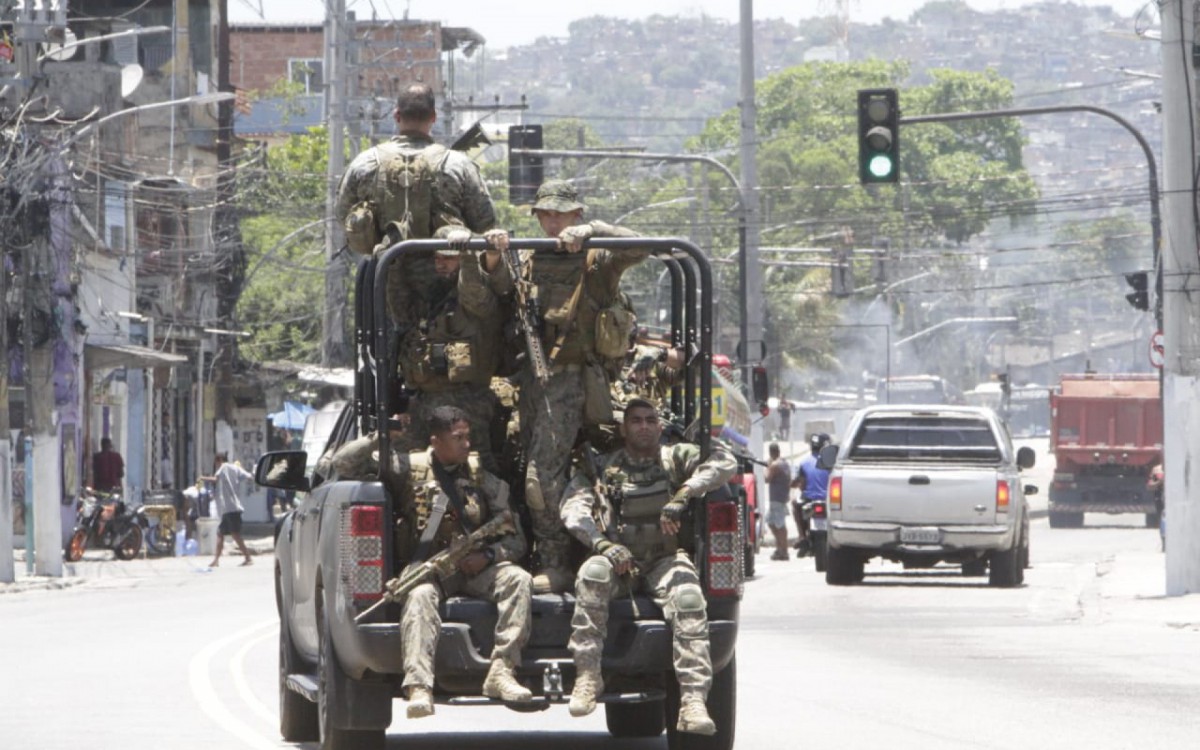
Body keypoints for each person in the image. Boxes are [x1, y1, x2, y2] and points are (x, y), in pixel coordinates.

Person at [332, 405, 534, 718]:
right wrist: (379, 437)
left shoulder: (480, 476)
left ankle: (502, 671)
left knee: (518, 579)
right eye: (458, 438)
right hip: (430, 570)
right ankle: (419, 687)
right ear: (436, 441)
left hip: (474, 568)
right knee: (419, 597)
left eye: (467, 437)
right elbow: (343, 464)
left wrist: (489, 556)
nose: (467, 444)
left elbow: (516, 538)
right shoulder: (408, 468)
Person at [498, 179, 648, 593]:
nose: (552, 222)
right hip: (535, 379)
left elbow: (642, 247)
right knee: (530, 468)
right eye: (545, 214)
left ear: (576, 214)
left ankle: (556, 562)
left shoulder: (597, 257)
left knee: (542, 474)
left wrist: (594, 231)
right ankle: (546, 551)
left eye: (560, 214)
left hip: (577, 378)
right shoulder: (529, 255)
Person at [560, 397, 736, 735]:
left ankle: (693, 702)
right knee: (592, 574)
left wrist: (686, 492)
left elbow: (724, 461)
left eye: (650, 420)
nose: (644, 426)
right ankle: (588, 677)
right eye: (636, 420)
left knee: (688, 598)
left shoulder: (675, 457)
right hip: (618, 559)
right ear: (624, 429)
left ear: (660, 426)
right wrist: (602, 544)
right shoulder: (604, 466)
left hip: (663, 560)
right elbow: (573, 508)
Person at [334, 82, 502, 325]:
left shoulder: (364, 163)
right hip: (449, 299)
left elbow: (344, 217)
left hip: (384, 293)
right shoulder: (458, 165)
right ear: (433, 117)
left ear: (396, 116)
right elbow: (486, 224)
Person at [398, 239, 511, 473]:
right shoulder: (433, 298)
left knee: (477, 470)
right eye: (437, 258)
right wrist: (393, 268)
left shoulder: (477, 298)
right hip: (425, 400)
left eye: (449, 258)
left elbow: (473, 294)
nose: (441, 264)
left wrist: (468, 257)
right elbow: (400, 308)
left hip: (467, 399)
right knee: (408, 465)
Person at [201, 452, 254, 568]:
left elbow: (215, 479)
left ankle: (248, 557)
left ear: (219, 460)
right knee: (220, 533)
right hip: (230, 508)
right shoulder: (236, 468)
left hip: (231, 508)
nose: (216, 465)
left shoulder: (223, 467)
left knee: (235, 535)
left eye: (216, 462)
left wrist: (203, 478)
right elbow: (249, 476)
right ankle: (216, 560)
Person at [791, 433, 831, 556]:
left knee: (795, 504)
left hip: (808, 499)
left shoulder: (803, 463)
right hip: (827, 499)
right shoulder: (830, 462)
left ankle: (802, 536)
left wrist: (793, 483)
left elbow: (801, 483)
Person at [765, 442, 792, 561]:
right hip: (780, 498)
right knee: (771, 522)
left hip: (777, 499)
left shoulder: (775, 465)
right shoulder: (784, 463)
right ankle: (780, 547)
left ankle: (784, 551)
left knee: (780, 525)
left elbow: (767, 479)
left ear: (771, 452)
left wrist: (768, 466)